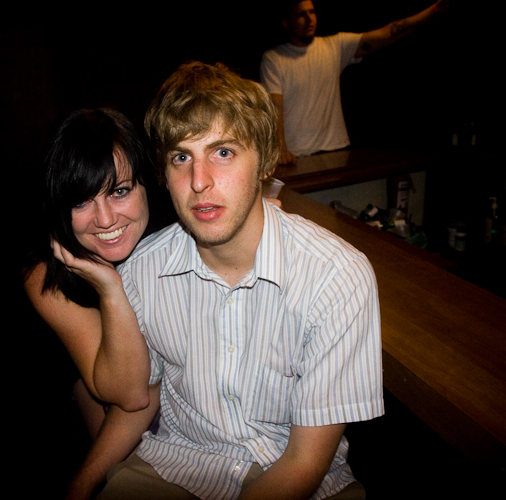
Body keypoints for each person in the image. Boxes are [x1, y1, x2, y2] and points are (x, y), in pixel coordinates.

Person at [90, 61, 383, 500]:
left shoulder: (336, 277)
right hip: (174, 467)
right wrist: (80, 485)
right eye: (181, 157)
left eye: (223, 152)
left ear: (264, 161)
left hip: (299, 478)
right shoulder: (142, 271)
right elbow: (140, 398)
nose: (199, 182)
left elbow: (305, 461)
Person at [23, 107, 173, 439]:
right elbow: (131, 396)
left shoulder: (179, 235)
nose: (105, 220)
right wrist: (111, 290)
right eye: (81, 201)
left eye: (119, 192)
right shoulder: (47, 274)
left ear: (146, 183)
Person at [261, 0, 450, 164]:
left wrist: (432, 11)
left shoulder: (334, 46)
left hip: (336, 149)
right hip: (298, 154)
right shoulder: (275, 58)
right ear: (286, 23)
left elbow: (390, 33)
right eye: (301, 14)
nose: (309, 19)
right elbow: (274, 107)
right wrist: (281, 149)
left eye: (312, 12)